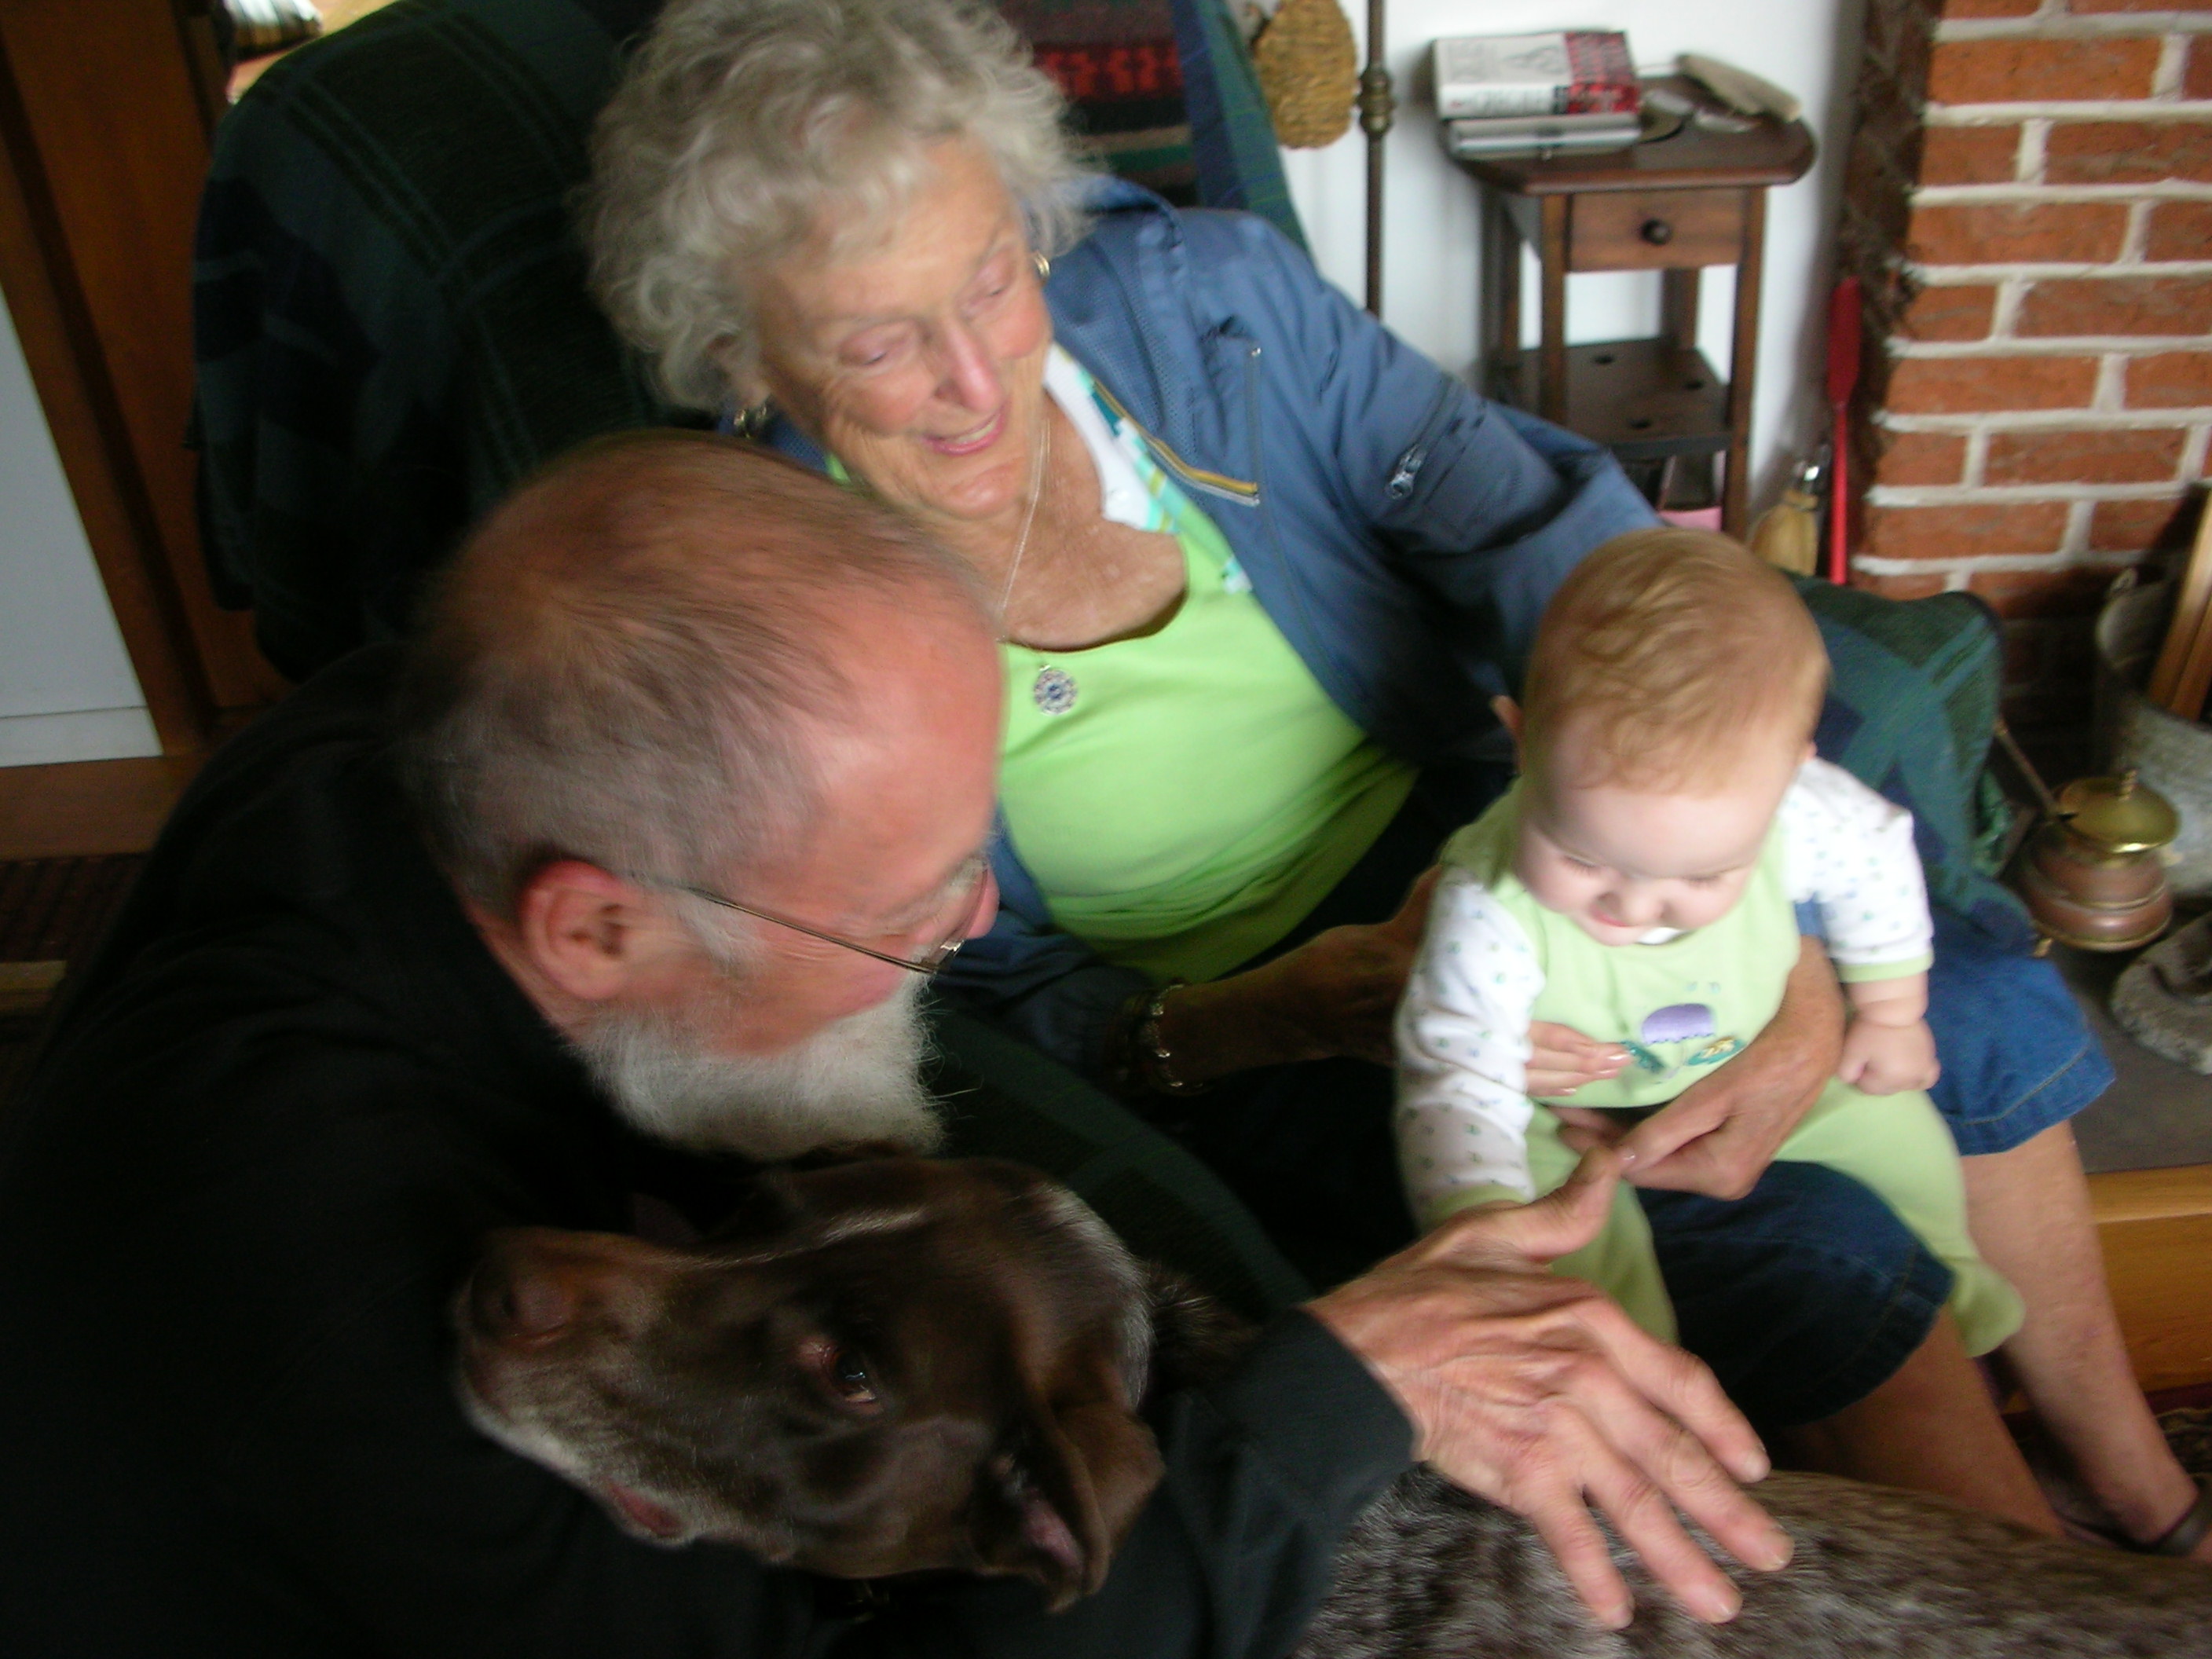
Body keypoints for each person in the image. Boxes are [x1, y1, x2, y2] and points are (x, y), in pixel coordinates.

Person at [584, 0, 2210, 1554]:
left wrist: (1780, 942)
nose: (974, 375)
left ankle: (2142, 1497)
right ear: (744, 359)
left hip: (1505, 831)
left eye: (993, 278)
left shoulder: (1205, 306)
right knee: (1790, 1243)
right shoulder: (786, 638)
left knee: (1957, 989)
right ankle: (2044, 1587)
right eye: (880, 342)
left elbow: (1529, 523)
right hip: (1265, 1016)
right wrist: (1283, 1011)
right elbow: (988, 1017)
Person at [0, 435, 1794, 1654]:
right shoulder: (345, 1307)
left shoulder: (456, 720)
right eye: (905, 909)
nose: (974, 924)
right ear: (596, 928)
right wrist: (1348, 1390)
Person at [1394, 529, 2020, 1406]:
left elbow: (1874, 859)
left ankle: (1960, 1293)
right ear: (1521, 742)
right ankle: (1633, 1394)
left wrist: (1889, 1009)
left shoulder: (1803, 813)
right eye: (1582, 857)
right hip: (1553, 1115)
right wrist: (1482, 1225)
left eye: (1699, 877)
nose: (1633, 907)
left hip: (1744, 1055)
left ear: (1790, 779)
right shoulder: (1485, 903)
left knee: (1906, 1143)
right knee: (1571, 1263)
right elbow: (1455, 1083)